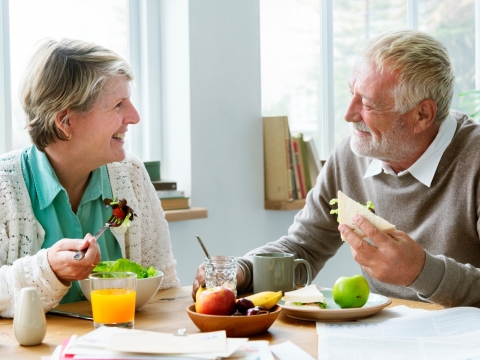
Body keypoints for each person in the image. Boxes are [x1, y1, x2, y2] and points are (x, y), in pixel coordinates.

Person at [193, 28, 480, 308]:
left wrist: (420, 272)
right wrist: (244, 270)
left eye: (368, 103)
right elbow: (304, 247)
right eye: (351, 94)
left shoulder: (475, 160)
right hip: (383, 334)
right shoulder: (351, 155)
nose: (348, 114)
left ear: (422, 114)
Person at [0, 39, 179, 318]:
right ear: (66, 121)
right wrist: (48, 269)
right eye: (119, 104)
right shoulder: (4, 185)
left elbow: (164, 288)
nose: (134, 116)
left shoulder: (130, 174)